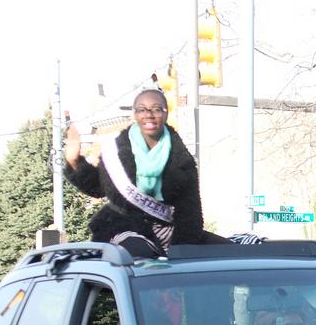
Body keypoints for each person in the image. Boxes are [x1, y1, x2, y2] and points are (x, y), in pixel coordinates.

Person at [64, 89, 223, 256]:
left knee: (232, 252)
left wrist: (180, 253)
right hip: (123, 227)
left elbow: (190, 213)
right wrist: (74, 161)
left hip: (170, 231)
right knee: (142, 255)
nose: (149, 114)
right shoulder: (115, 152)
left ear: (166, 113)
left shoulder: (183, 160)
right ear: (134, 114)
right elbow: (98, 187)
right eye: (142, 109)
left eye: (156, 109)